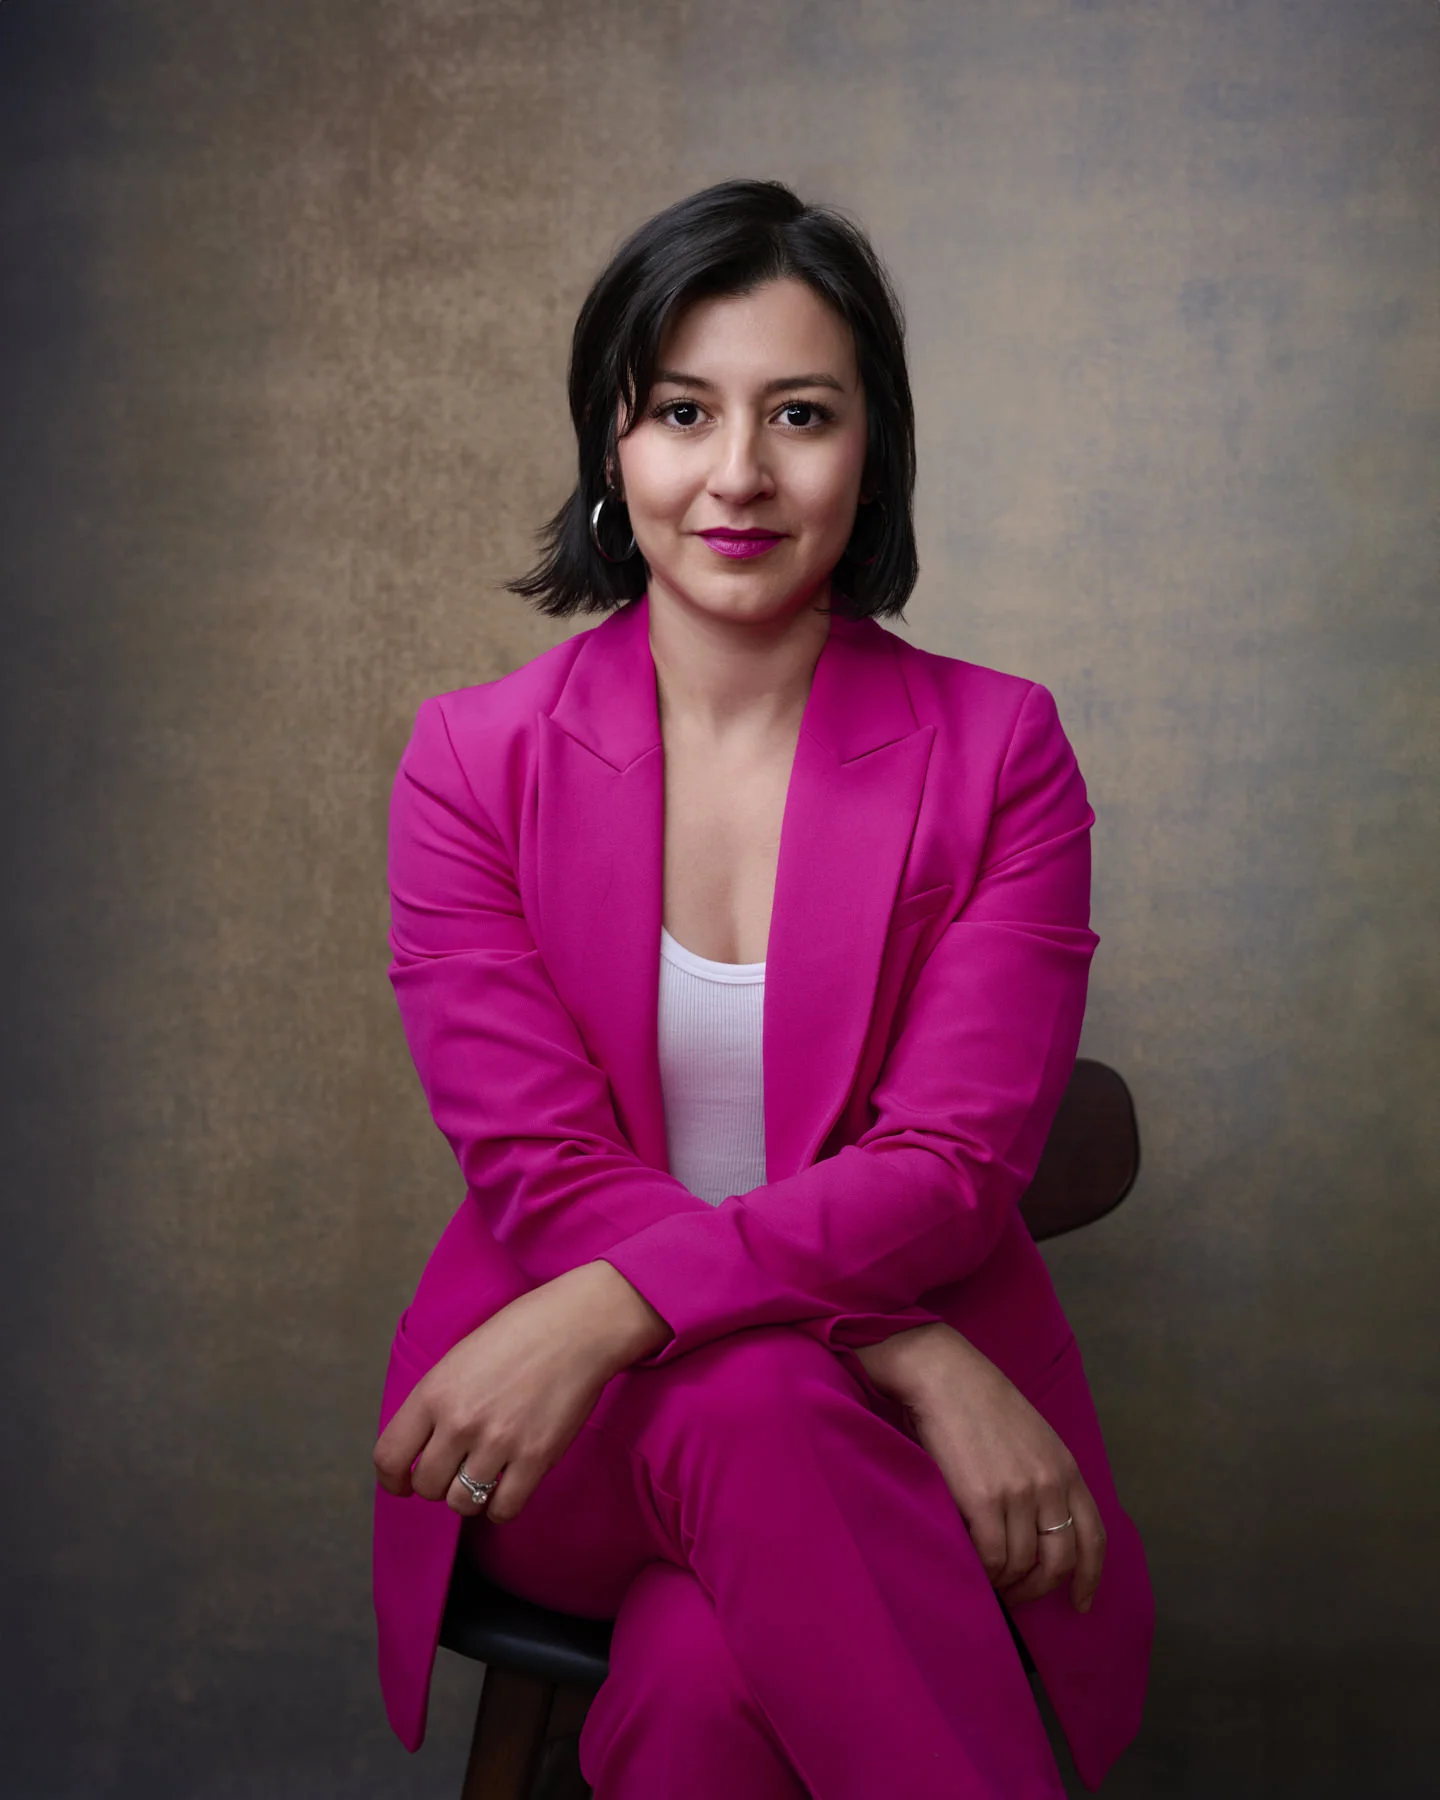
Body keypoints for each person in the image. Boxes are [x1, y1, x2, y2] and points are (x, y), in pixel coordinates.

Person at [371, 178, 1153, 1798]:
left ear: (870, 450)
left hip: (849, 1469)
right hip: (574, 1429)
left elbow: (950, 1170)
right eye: (681, 412)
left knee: (703, 1683)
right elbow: (541, 1170)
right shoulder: (473, 759)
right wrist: (908, 1352)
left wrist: (624, 1300)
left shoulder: (1000, 750)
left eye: (800, 413)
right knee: (754, 1407)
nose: (738, 474)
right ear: (614, 446)